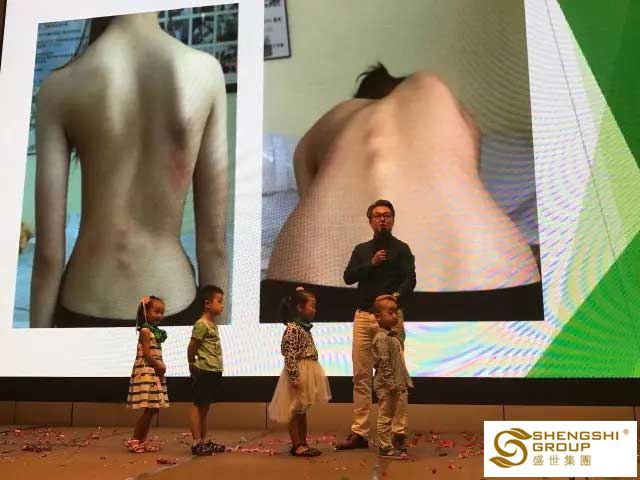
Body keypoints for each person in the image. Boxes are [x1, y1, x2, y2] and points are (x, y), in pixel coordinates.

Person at [264, 63, 541, 318]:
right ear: (399, 86)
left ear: (361, 98)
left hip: (317, 291)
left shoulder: (332, 118)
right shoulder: (430, 86)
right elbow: (470, 177)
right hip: (488, 282)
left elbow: (309, 199)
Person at [30, 12, 228, 327]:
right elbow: (214, 245)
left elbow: (48, 256)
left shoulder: (59, 87)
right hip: (172, 301)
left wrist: (35, 349)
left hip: (86, 302)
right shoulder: (206, 72)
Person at [337, 199, 415, 450]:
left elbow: (410, 280)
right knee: (361, 376)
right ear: (370, 221)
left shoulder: (402, 249)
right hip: (364, 317)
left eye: (387, 215)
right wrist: (371, 264)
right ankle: (359, 432)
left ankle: (397, 432)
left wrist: (395, 298)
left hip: (391, 319)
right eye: (378, 215)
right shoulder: (362, 250)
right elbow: (348, 277)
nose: (383, 219)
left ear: (393, 220)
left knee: (395, 376)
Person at [268, 287, 331, 457]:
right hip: (299, 372)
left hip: (308, 370)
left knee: (302, 410)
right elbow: (289, 354)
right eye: (312, 306)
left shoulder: (304, 328)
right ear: (300, 308)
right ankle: (297, 445)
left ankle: (303, 442)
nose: (315, 310)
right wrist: (294, 376)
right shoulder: (293, 329)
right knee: (295, 410)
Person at [371, 295, 413, 459]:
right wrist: (391, 383)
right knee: (385, 416)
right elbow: (384, 363)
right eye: (390, 313)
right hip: (387, 385)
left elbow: (398, 363)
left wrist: (403, 381)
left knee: (392, 414)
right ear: (378, 316)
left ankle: (391, 443)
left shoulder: (392, 336)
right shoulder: (381, 338)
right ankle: (385, 447)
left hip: (395, 384)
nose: (395, 316)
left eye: (396, 312)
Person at [125, 296, 169, 453]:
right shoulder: (145, 331)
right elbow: (147, 355)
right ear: (145, 312)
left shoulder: (154, 332)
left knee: (153, 409)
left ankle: (141, 440)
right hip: (147, 371)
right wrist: (159, 365)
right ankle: (135, 439)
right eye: (156, 311)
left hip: (154, 371)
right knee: (149, 408)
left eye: (162, 312)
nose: (159, 315)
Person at [187, 285, 227, 456]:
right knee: (198, 406)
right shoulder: (201, 324)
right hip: (204, 370)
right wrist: (191, 362)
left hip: (214, 370)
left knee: (205, 407)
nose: (222, 305)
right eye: (219, 301)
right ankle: (196, 442)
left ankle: (204, 440)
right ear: (207, 304)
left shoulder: (212, 325)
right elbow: (192, 346)